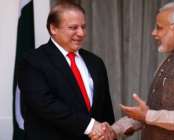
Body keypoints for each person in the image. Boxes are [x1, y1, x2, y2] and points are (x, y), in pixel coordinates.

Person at [93, 2, 174, 140]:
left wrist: (148, 115)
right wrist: (115, 129)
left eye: (159, 28)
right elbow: (154, 113)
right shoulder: (169, 60)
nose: (154, 33)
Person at [17, 1, 114, 140]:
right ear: (53, 28)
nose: (81, 33)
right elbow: (45, 105)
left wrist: (107, 133)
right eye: (73, 27)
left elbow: (105, 109)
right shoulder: (32, 61)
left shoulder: (95, 62)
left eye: (83, 27)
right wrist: (90, 125)